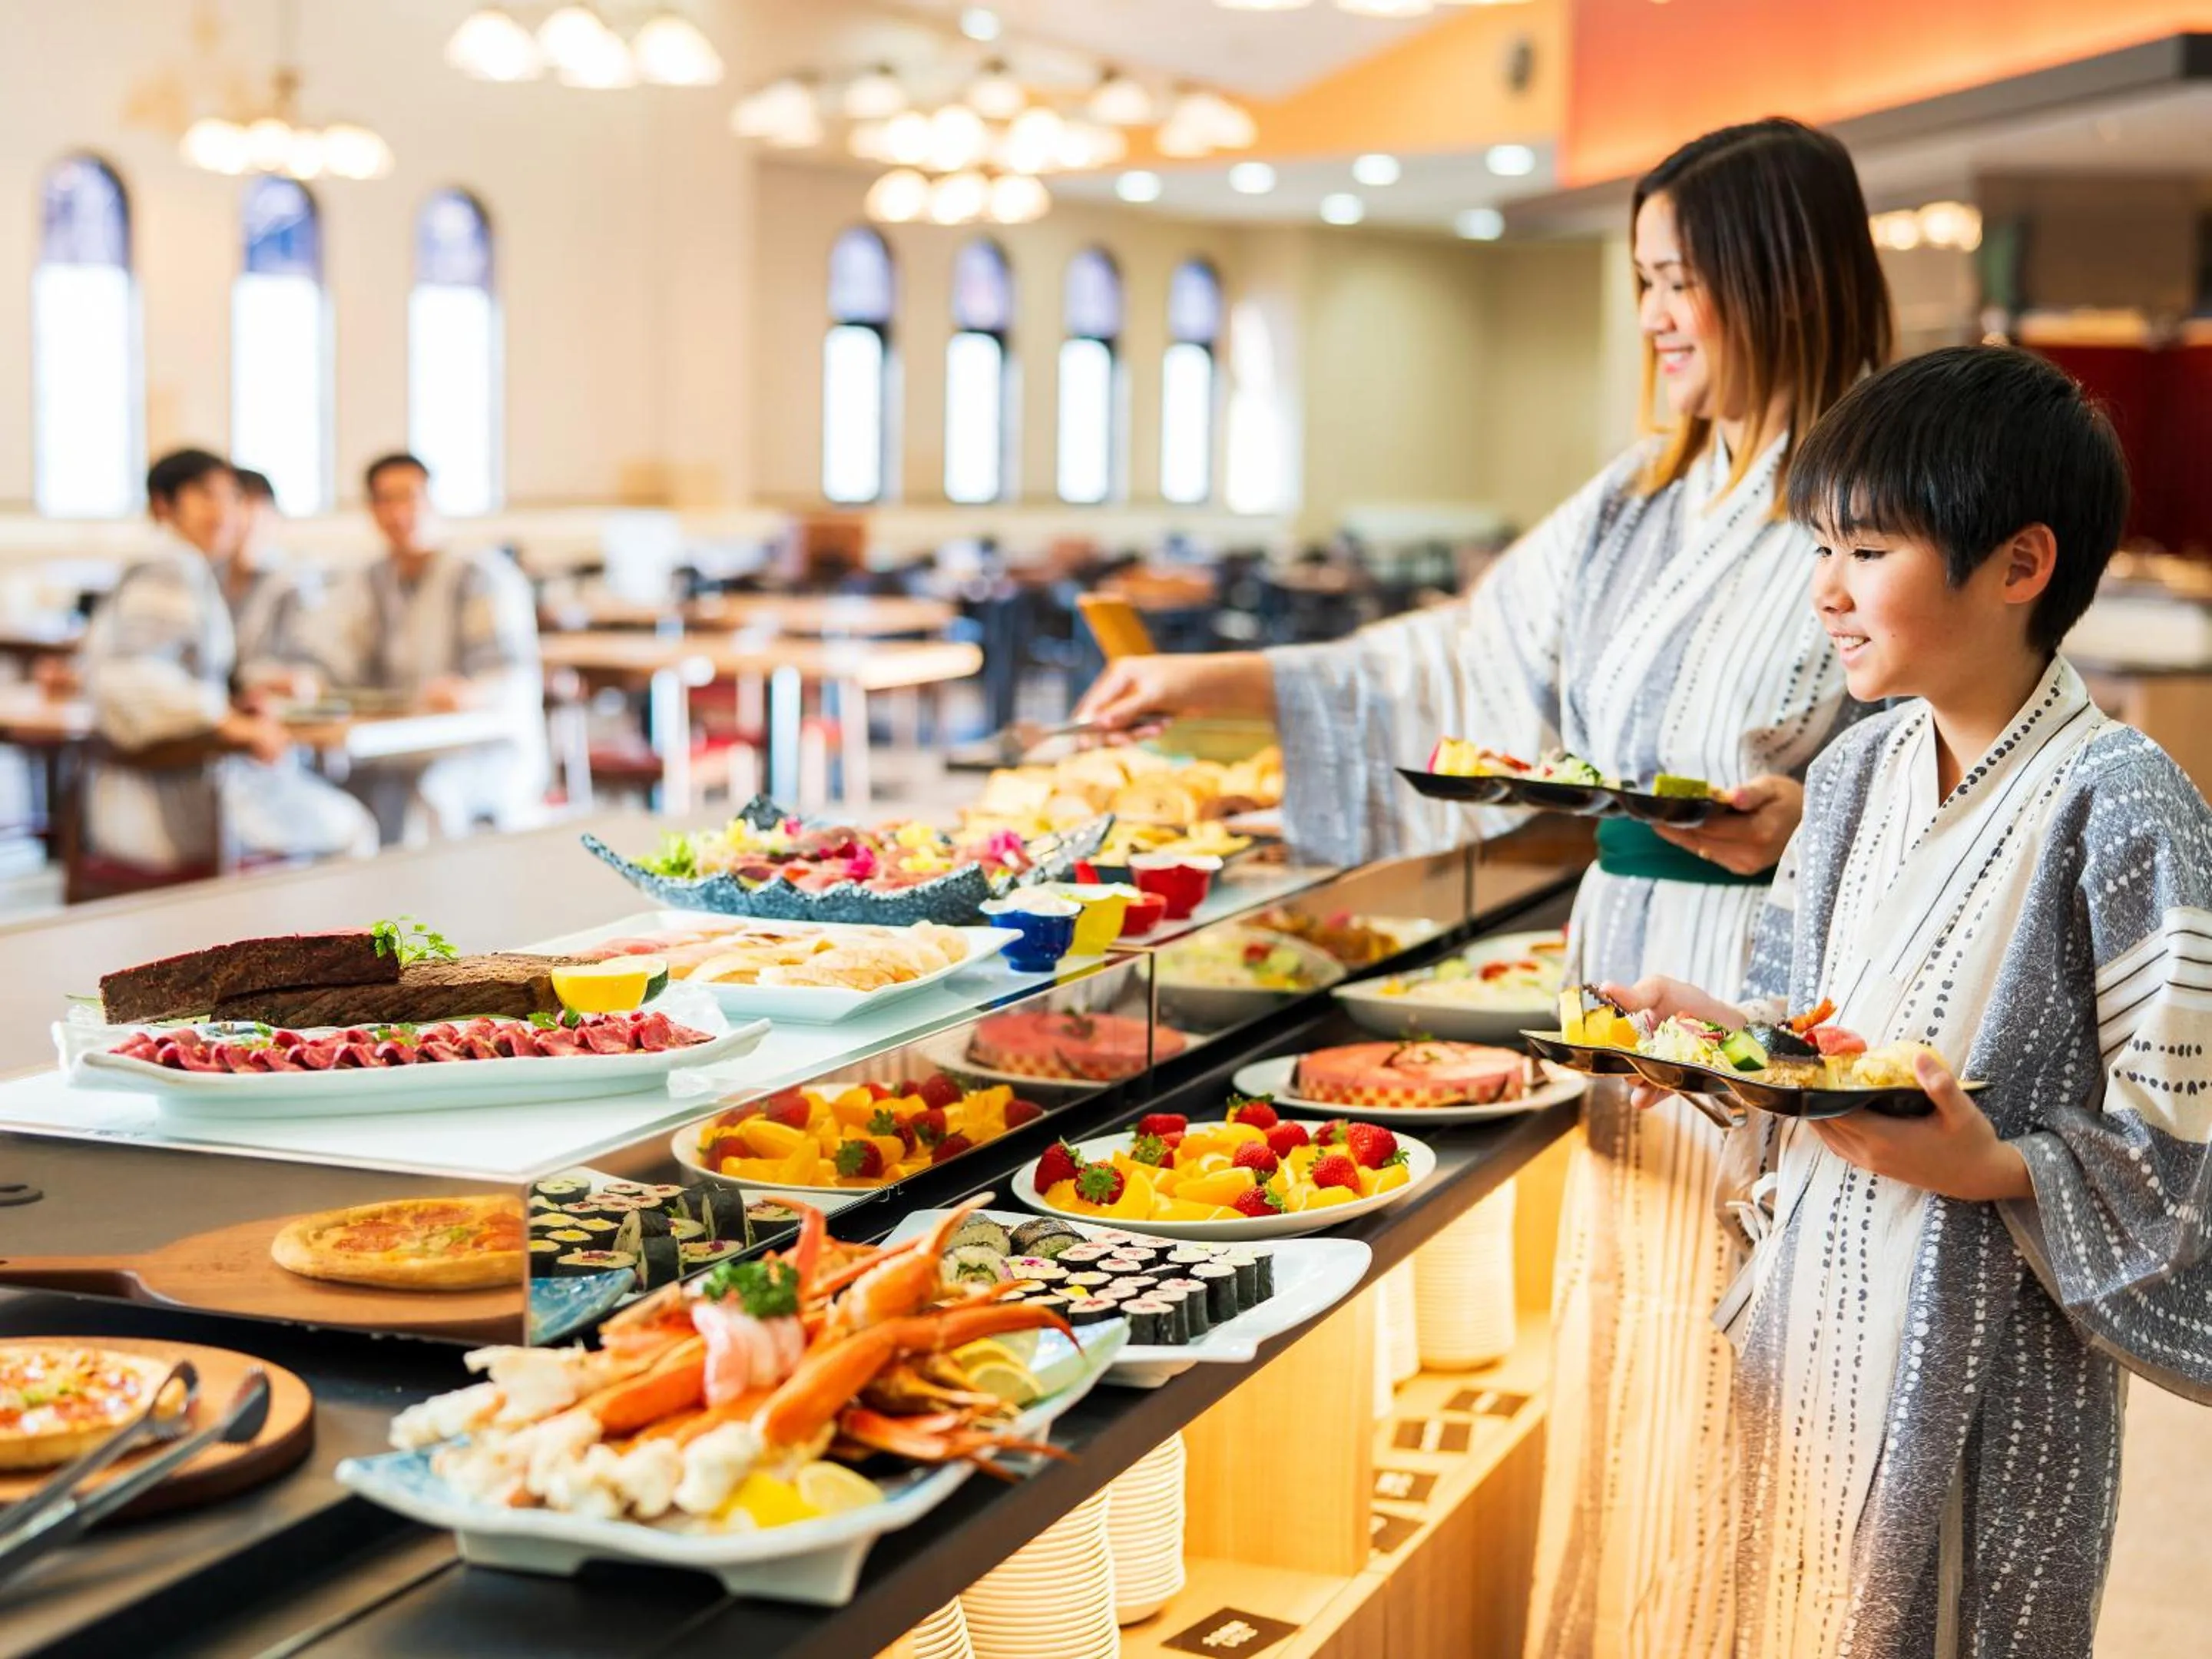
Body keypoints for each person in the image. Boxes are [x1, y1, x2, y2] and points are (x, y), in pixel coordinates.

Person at [1077, 118, 1895, 1657]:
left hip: (1779, 972)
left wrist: (1815, 813)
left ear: (1782, 276)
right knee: (1642, 1330)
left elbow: (1949, 729)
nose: (1654, 317)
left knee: (1764, 1353)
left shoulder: (1878, 482)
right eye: (1642, 281)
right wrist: (1221, 679)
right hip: (1624, 957)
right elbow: (1466, 659)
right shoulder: (1643, 496)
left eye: (1682, 280)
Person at [1608, 344, 2212, 1654]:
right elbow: (1809, 1032)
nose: (1824, 591)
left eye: (1868, 551)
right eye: (1821, 546)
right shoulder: (1853, 772)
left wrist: (1990, 1165)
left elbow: (2183, 1154)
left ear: (2021, 564)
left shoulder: (2126, 804)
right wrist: (1715, 1037)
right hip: (1807, 1318)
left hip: (1990, 1370)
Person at [79, 449, 376, 870]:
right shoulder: (171, 567)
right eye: (205, 495)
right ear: (163, 505)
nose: (224, 511)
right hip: (168, 805)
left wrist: (235, 703)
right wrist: (230, 723)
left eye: (231, 497)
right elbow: (132, 678)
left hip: (149, 792)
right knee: (354, 829)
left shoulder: (177, 565)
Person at [293, 452, 548, 842]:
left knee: (435, 795)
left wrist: (473, 692)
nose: (399, 513)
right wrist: (305, 682)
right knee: (340, 796)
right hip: (401, 748)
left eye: (410, 497)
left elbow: (508, 676)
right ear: (372, 510)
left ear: (432, 501)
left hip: (486, 748)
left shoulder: (479, 576)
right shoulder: (370, 581)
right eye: (386, 500)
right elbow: (336, 657)